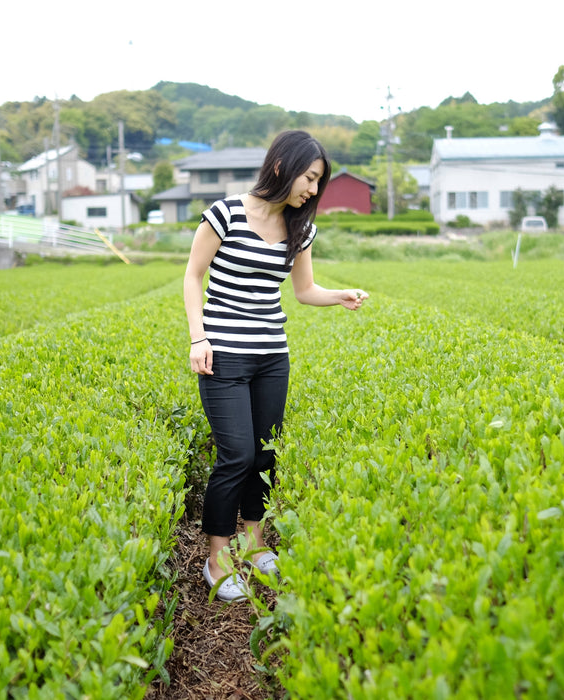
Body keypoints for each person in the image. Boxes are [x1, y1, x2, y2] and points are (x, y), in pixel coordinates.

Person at [183, 130, 368, 602]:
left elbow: (305, 291)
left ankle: (255, 540)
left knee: (265, 454)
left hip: (272, 357)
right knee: (236, 456)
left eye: (318, 183)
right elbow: (193, 275)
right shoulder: (224, 214)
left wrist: (338, 295)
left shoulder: (300, 228)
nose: (312, 190)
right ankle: (217, 557)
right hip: (223, 355)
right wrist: (198, 337)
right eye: (309, 178)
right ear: (283, 166)